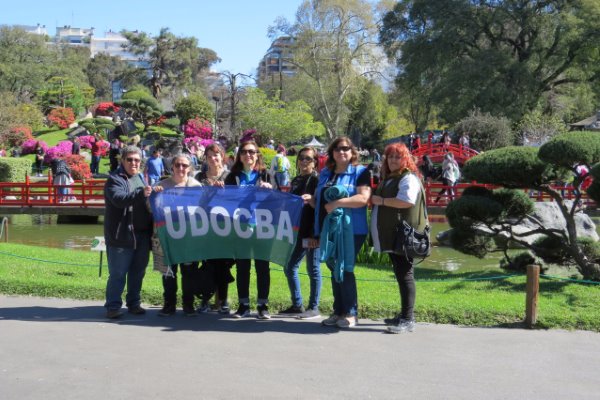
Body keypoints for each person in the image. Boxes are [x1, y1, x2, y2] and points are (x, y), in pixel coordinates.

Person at [313, 136, 371, 328]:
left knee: (345, 268)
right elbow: (321, 202)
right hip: (330, 229)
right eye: (337, 149)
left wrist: (337, 203)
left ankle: (351, 313)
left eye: (345, 148)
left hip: (352, 229)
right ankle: (338, 311)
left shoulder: (361, 172)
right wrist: (310, 201)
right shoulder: (326, 174)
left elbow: (363, 199)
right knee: (333, 267)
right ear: (332, 153)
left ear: (352, 151)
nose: (341, 152)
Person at [370, 143, 426, 334]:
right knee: (402, 274)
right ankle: (404, 315)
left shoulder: (408, 178)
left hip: (404, 236)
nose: (393, 160)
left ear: (406, 159)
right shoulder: (392, 178)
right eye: (390, 156)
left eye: (397, 157)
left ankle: (408, 319)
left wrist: (382, 201)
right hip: (396, 235)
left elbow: (407, 201)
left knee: (405, 275)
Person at [224, 140, 274, 319]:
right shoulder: (232, 176)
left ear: (257, 155)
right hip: (240, 227)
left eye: (252, 152)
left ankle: (263, 305)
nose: (248, 155)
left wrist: (270, 190)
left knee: (263, 267)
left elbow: (277, 200)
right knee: (243, 267)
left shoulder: (265, 175)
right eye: (244, 152)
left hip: (262, 227)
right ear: (240, 156)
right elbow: (226, 200)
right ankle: (243, 305)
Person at [103, 145, 153, 319]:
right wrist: (142, 193)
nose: (134, 163)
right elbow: (119, 200)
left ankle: (134, 303)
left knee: (138, 272)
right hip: (121, 235)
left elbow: (147, 203)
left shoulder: (141, 177)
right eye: (130, 159)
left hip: (142, 235)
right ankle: (113, 306)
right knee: (118, 274)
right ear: (122, 161)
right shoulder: (115, 179)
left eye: (137, 160)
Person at [153, 153, 202, 317]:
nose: (181, 168)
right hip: (166, 236)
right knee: (168, 273)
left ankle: (188, 305)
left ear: (190, 168)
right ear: (172, 167)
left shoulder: (196, 187)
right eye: (178, 165)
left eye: (185, 165)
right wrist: (153, 196)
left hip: (188, 237)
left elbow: (203, 211)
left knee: (189, 274)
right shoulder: (162, 185)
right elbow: (150, 209)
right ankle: (169, 304)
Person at [280, 146, 322, 319]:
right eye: (301, 158)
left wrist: (314, 234)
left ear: (315, 162)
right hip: (297, 231)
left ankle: (314, 307)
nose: (304, 161)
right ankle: (297, 304)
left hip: (312, 231)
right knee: (290, 267)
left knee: (313, 269)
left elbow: (320, 208)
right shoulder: (296, 180)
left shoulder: (317, 180)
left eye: (308, 159)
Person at [195, 143, 234, 314]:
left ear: (222, 156)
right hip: (205, 227)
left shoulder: (230, 177)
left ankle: (223, 301)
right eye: (209, 155)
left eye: (216, 155)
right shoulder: (199, 177)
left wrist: (224, 193)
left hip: (225, 228)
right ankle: (205, 300)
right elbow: (193, 200)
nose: (213, 159)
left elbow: (235, 201)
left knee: (223, 264)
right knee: (207, 265)